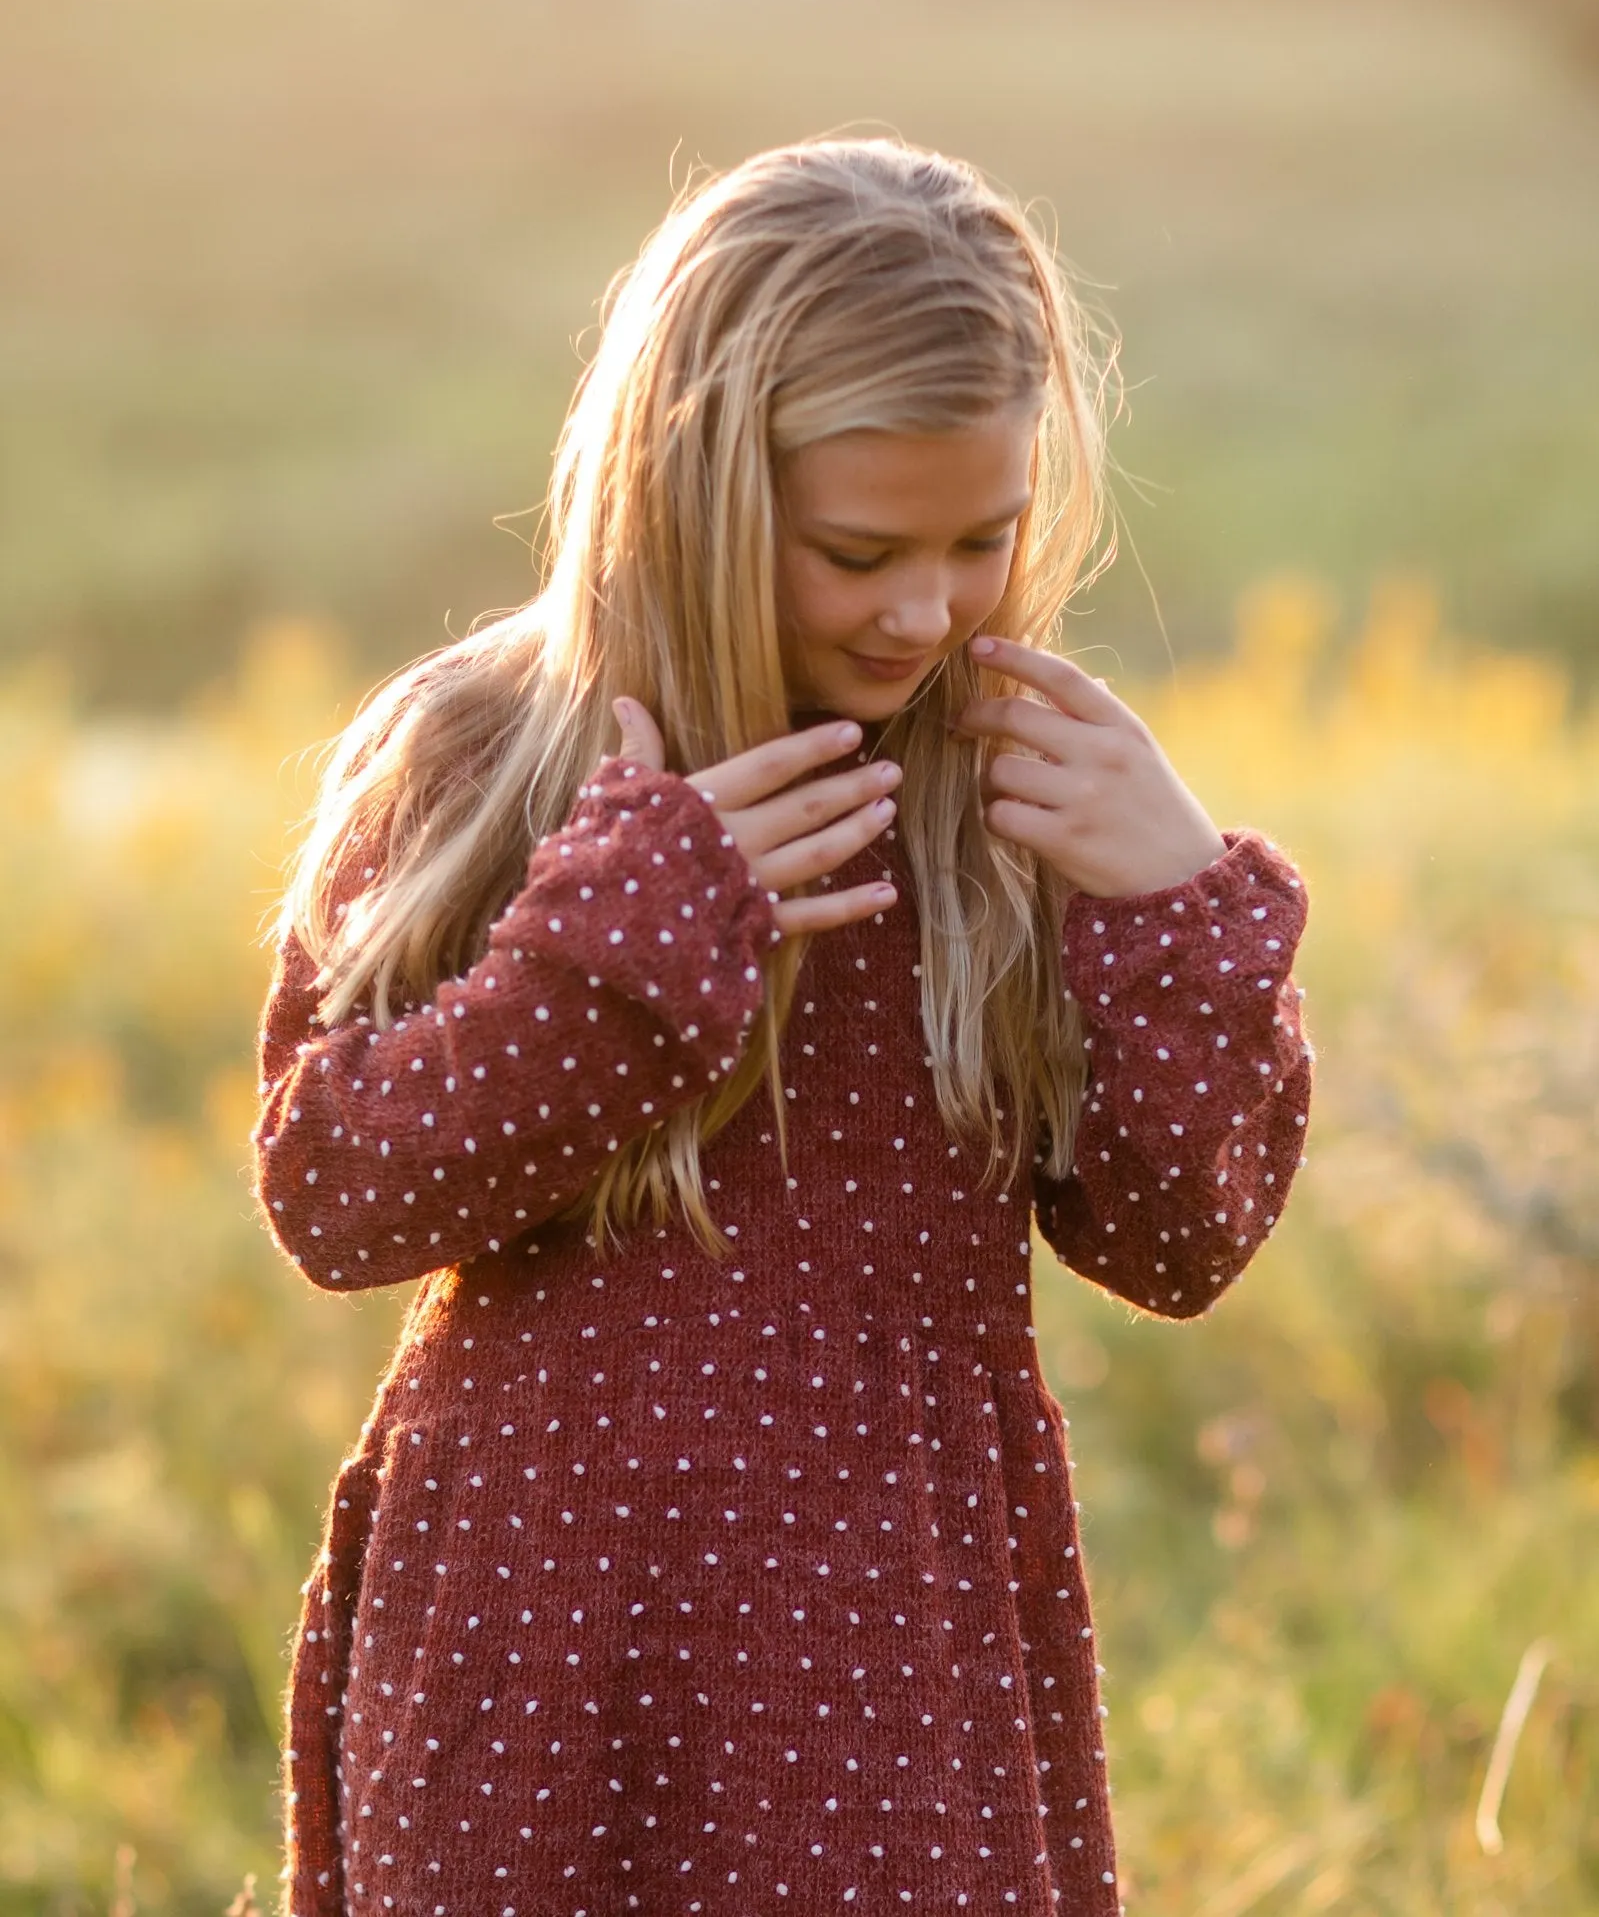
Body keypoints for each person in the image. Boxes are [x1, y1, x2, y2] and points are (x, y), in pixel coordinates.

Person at [251, 135, 1312, 1917]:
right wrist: (625, 949)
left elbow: (1177, 1237)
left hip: (896, 1658)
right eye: (858, 549)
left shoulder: (1003, 795)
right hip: (545, 1648)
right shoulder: (489, 755)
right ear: (691, 490)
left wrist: (1170, 909)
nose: (928, 607)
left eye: (982, 540)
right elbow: (335, 1190)